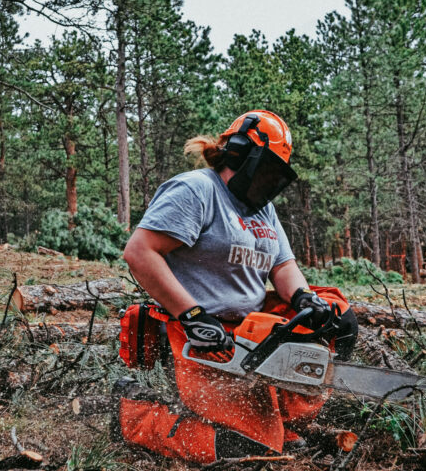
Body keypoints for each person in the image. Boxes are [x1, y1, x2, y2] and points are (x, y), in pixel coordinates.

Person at [120, 111, 359, 463]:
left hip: (251, 331)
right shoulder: (197, 190)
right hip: (201, 335)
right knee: (249, 448)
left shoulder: (263, 209)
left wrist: (303, 297)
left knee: (334, 312)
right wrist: (192, 315)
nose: (268, 181)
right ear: (239, 152)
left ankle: (283, 416)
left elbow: (282, 264)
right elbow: (140, 252)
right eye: (265, 169)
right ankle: (134, 416)